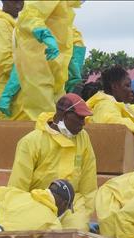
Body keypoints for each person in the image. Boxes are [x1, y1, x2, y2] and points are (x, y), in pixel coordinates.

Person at [7, 94, 96, 231]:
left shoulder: (83, 138)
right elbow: (17, 187)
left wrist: (87, 215)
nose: (83, 123)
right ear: (61, 115)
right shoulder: (31, 142)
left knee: (77, 234)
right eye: (79, 118)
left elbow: (88, 183)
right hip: (38, 203)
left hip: (72, 206)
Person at [12, 0, 81, 121]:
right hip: (38, 64)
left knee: (58, 118)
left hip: (53, 65)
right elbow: (29, 15)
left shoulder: (65, 5)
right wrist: (45, 36)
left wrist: (70, 66)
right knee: (43, 118)